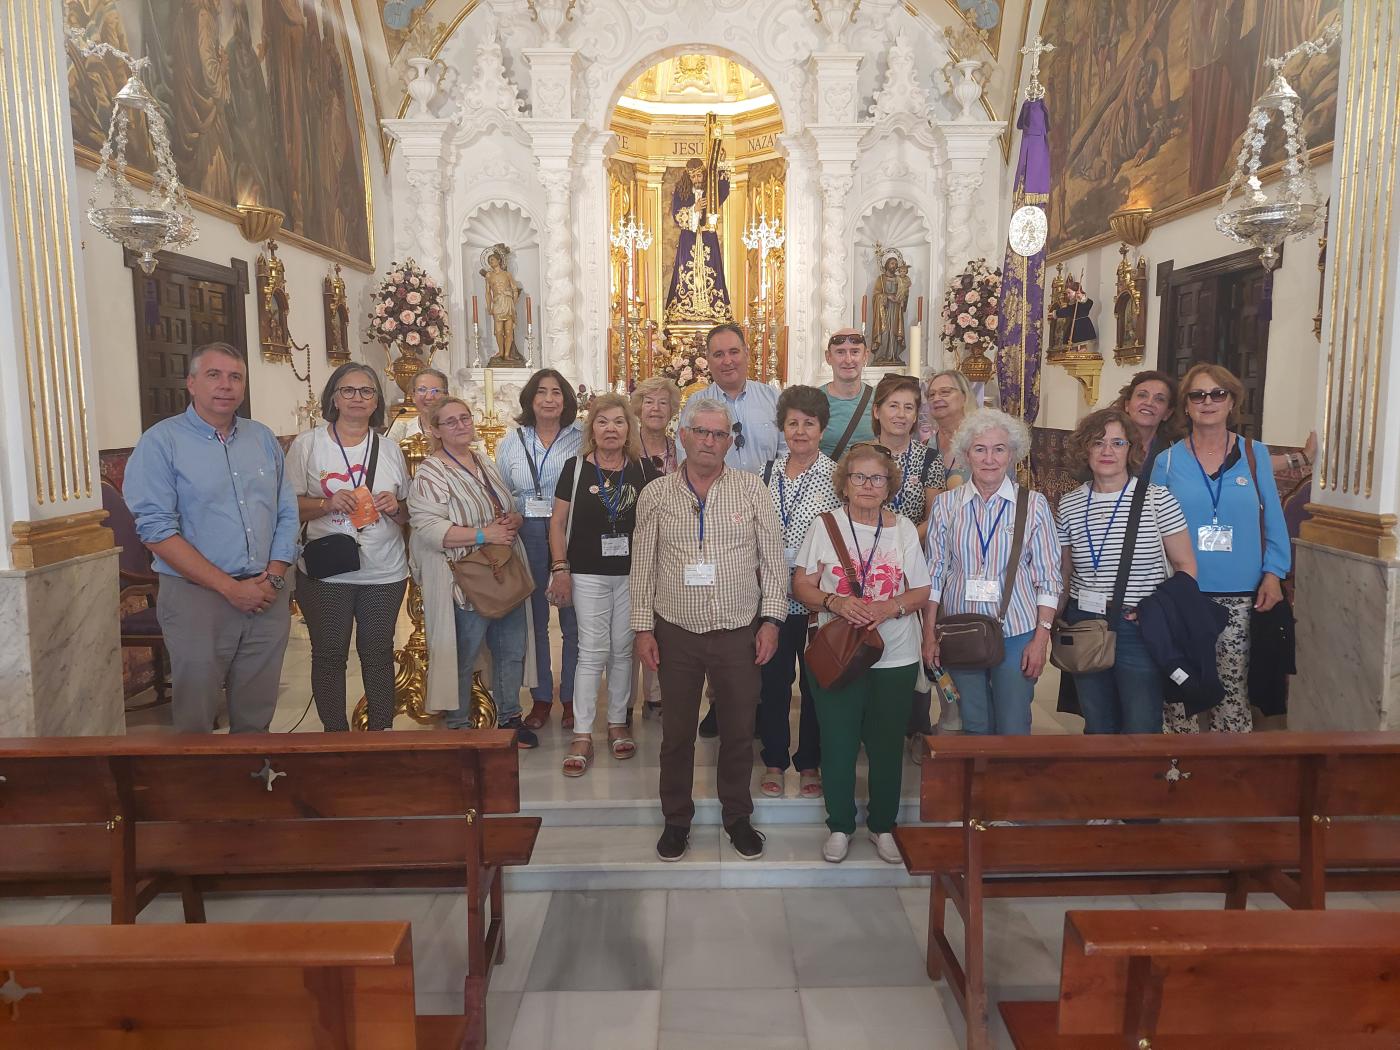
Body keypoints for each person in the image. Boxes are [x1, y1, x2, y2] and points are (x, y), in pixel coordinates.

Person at [631, 398, 788, 862]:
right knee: (677, 734)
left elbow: (773, 560)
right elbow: (643, 567)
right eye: (701, 432)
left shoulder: (751, 489)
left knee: (738, 732)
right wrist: (643, 629)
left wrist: (772, 621)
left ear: (730, 441)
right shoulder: (656, 494)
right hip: (676, 631)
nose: (709, 441)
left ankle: (737, 816)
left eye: (719, 434)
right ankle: (676, 819)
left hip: (739, 630)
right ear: (683, 435)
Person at [124, 341, 298, 733]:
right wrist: (229, 588)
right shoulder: (161, 442)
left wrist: (273, 576)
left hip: (266, 594)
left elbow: (286, 511)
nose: (225, 385)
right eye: (214, 375)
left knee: (256, 713)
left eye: (235, 377)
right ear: (191, 383)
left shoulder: (262, 438)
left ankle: (253, 771)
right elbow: (156, 530)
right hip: (197, 598)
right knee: (196, 717)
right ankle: (199, 776)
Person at [792, 443, 931, 863]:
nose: (868, 485)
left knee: (887, 744)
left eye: (877, 478)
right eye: (859, 477)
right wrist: (834, 602)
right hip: (837, 652)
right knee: (838, 741)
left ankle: (883, 825)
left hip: (895, 654)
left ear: (889, 485)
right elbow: (801, 585)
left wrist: (890, 606)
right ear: (845, 483)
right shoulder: (824, 526)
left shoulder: (903, 530)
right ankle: (840, 825)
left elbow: (921, 589)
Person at [1151, 364, 1290, 733]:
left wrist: (1274, 574)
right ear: (1186, 406)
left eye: (1218, 394)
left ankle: (1229, 764)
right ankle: (1178, 764)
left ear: (1232, 402)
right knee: (1179, 694)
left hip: (1241, 596)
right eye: (1197, 395)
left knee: (1232, 695)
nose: (1208, 401)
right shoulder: (1167, 462)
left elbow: (1274, 519)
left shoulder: (1255, 454)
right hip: (1184, 595)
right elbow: (1153, 530)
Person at [1055, 408, 1196, 734]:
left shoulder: (1158, 500)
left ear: (1131, 450)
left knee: (1141, 722)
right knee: (1097, 722)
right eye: (1098, 442)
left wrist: (1160, 611)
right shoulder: (1069, 504)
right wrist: (1052, 622)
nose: (1107, 451)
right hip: (1085, 622)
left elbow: (1186, 566)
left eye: (1117, 443)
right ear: (1084, 449)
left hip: (1138, 625)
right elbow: (1064, 570)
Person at [286, 364, 411, 731]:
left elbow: (407, 514)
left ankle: (380, 735)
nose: (358, 398)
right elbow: (287, 507)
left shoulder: (390, 449)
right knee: (328, 654)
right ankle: (336, 737)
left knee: (378, 653)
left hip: (383, 570)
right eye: (348, 390)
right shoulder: (309, 445)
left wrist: (395, 507)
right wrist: (325, 503)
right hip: (328, 570)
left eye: (366, 391)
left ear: (376, 401)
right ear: (334, 399)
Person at [923, 409, 1061, 736]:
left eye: (999, 449)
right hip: (959, 629)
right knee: (974, 722)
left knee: (1014, 724)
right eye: (980, 449)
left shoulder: (1034, 505)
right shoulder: (946, 505)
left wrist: (1041, 639)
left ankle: (1010, 773)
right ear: (966, 454)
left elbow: (1049, 578)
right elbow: (935, 573)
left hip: (1016, 630)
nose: (989, 459)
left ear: (1012, 454)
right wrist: (929, 633)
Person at [408, 398, 538, 747]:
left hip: (503, 571)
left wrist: (514, 519)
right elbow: (428, 528)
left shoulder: (483, 461)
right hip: (464, 580)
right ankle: (459, 725)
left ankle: (510, 717)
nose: (461, 425)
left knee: (511, 648)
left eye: (465, 417)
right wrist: (484, 535)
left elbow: (506, 504)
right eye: (450, 421)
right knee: (462, 654)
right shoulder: (431, 472)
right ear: (435, 430)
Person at [546, 395, 657, 776]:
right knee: (592, 650)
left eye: (619, 422)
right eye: (603, 422)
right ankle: (582, 732)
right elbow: (557, 523)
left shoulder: (644, 470)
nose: (611, 429)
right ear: (591, 428)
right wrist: (560, 567)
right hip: (587, 573)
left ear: (630, 429)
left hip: (633, 575)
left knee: (623, 651)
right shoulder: (575, 468)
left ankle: (617, 724)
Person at [756, 385, 841, 800]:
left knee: (814, 685)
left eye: (809, 423)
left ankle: (809, 762)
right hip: (772, 598)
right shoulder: (765, 473)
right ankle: (774, 759)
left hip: (815, 601)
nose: (801, 431)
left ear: (822, 429)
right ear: (782, 427)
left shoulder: (837, 476)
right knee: (772, 683)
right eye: (793, 423)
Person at [495, 369, 583, 730]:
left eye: (556, 392)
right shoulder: (512, 441)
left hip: (570, 531)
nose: (549, 399)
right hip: (526, 532)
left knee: (573, 620)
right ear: (530, 399)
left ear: (566, 400)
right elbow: (501, 491)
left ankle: (573, 697)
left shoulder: (581, 439)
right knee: (534, 621)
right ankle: (542, 696)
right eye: (542, 392)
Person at [631, 376, 682, 719]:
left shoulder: (679, 448)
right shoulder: (626, 446)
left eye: (663, 403)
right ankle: (624, 700)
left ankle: (655, 694)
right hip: (630, 540)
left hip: (669, 543)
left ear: (673, 410)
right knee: (633, 622)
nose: (656, 409)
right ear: (638, 407)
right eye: (649, 401)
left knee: (661, 620)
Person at [676, 323, 783, 475]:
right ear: (708, 359)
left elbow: (788, 452)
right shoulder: (696, 403)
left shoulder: (772, 398)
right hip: (713, 490)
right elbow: (684, 456)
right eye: (719, 354)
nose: (727, 361)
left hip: (768, 489)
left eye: (734, 352)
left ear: (746, 353)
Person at [873, 373, 944, 541]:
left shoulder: (930, 459)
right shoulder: (860, 456)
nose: (901, 414)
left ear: (915, 416)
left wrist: (903, 545)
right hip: (864, 547)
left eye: (908, 407)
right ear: (877, 411)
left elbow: (933, 518)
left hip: (913, 547)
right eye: (893, 406)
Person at [819, 328, 877, 460]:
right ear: (828, 357)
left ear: (865, 356)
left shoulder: (879, 400)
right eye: (840, 352)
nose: (848, 360)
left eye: (855, 352)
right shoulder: (813, 400)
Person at [924, 369, 972, 488]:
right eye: (931, 395)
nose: (936, 399)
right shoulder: (925, 447)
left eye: (945, 392)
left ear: (964, 396)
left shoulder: (982, 443)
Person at [386, 367, 450, 446]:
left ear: (446, 396)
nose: (429, 397)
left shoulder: (458, 427)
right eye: (422, 390)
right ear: (413, 396)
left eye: (436, 391)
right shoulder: (402, 430)